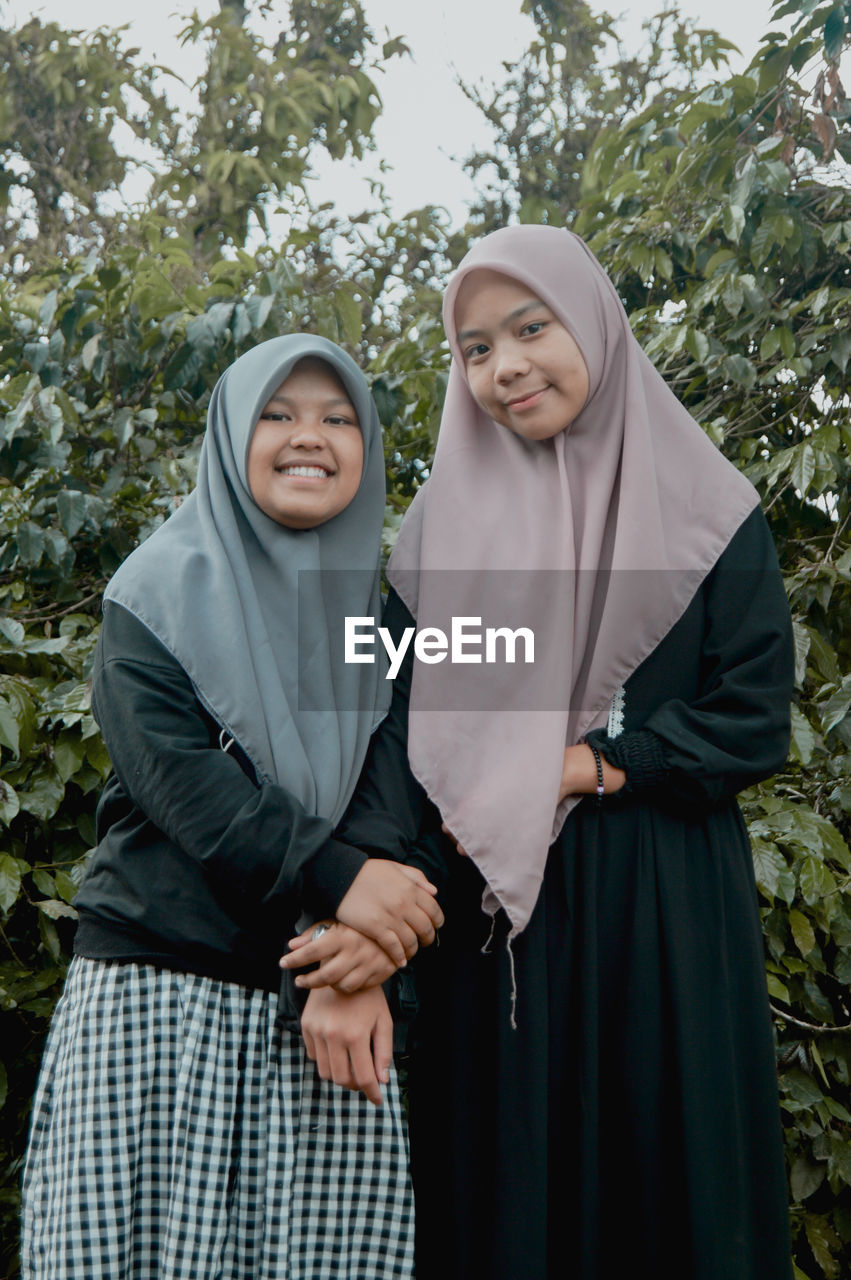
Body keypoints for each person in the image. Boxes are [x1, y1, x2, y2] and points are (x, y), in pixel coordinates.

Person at [289, 226, 796, 1279]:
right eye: (473, 348)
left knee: (669, 1200)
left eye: (528, 328)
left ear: (595, 327)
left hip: (663, 927)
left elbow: (748, 717)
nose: (502, 366)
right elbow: (392, 739)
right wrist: (362, 921)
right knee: (504, 1210)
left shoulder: (708, 514)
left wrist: (582, 764)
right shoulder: (440, 542)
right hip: (495, 945)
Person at [20, 334, 442, 1280]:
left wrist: (361, 964)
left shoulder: (389, 621)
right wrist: (345, 886)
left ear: (368, 448)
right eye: (279, 415)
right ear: (230, 438)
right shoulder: (152, 596)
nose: (311, 437)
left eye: (339, 419)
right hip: (159, 1002)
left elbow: (398, 797)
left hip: (328, 1017)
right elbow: (194, 798)